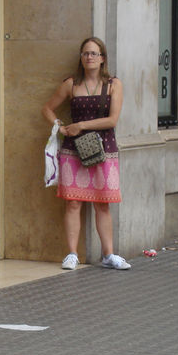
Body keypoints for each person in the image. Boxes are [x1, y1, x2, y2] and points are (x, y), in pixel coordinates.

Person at [41, 36, 130, 270]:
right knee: (73, 203)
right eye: (85, 53)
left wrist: (81, 125)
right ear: (81, 58)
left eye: (93, 53)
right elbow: (48, 108)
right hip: (73, 150)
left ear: (102, 58)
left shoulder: (113, 84)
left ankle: (109, 254)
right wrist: (59, 126)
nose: (89, 57)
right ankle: (72, 254)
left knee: (103, 203)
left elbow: (112, 119)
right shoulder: (71, 84)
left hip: (104, 150)